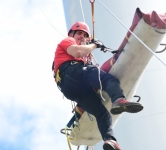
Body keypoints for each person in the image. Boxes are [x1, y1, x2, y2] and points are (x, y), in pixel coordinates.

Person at [53, 22, 143, 150]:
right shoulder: (68, 41)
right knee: (108, 80)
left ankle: (110, 140)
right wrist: (94, 45)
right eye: (79, 33)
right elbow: (78, 52)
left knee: (102, 114)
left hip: (72, 88)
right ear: (72, 34)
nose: (82, 37)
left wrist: (90, 47)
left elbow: (82, 55)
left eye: (85, 35)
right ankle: (118, 100)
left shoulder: (83, 54)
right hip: (71, 72)